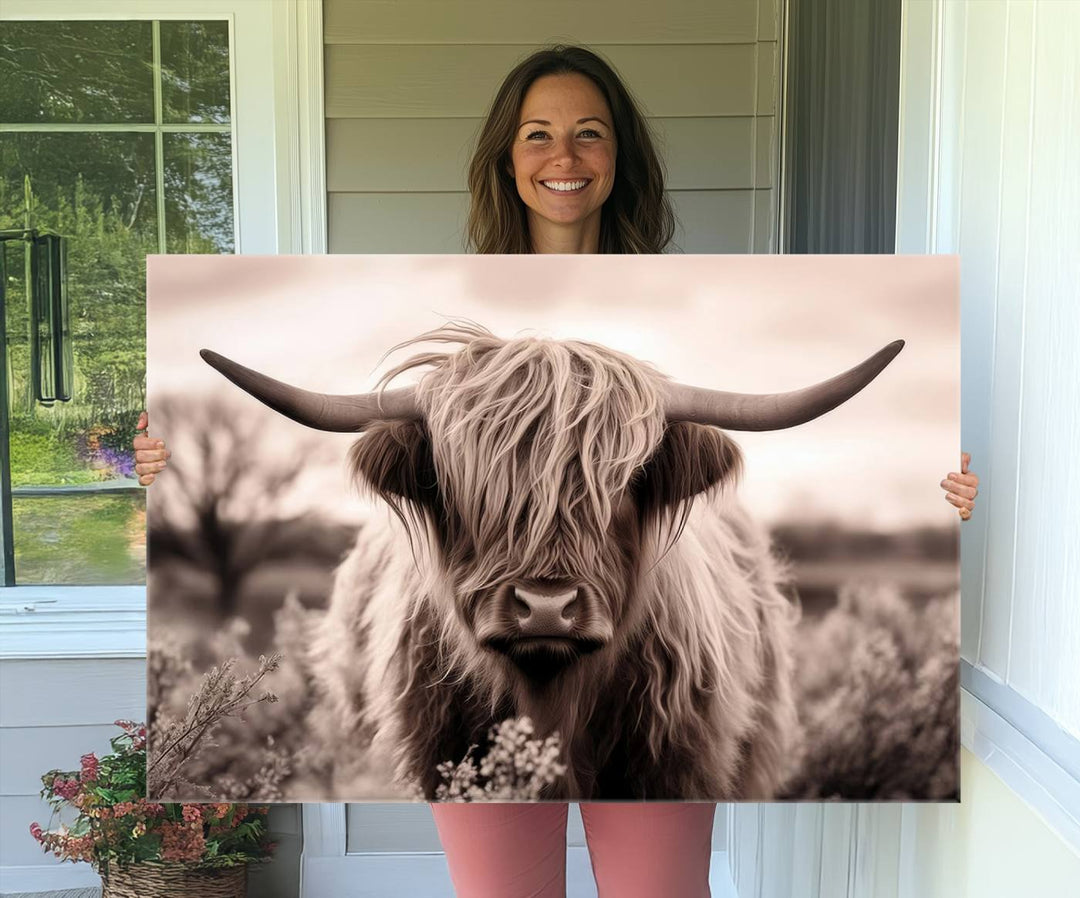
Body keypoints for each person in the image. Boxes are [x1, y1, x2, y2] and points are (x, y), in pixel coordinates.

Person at [134, 45, 979, 898]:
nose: (564, 158)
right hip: (451, 668)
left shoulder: (714, 276)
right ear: (506, 158)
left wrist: (966, 494)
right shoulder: (417, 275)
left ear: (621, 158)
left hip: (663, 669)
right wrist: (144, 470)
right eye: (537, 135)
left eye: (590, 135)